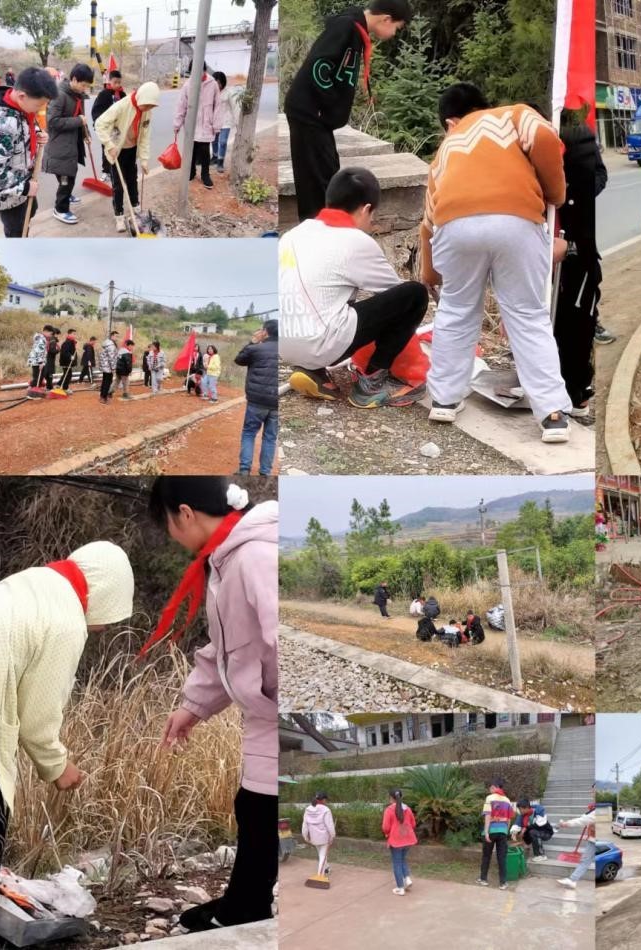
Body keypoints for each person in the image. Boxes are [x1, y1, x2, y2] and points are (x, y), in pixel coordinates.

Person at [0, 540, 136, 947]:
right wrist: (58, 767)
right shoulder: (66, 620)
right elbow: (38, 718)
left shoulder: (37, 583)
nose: (106, 627)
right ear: (105, 596)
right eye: (111, 616)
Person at [149, 477, 278, 932]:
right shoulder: (228, 558)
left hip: (278, 715)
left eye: (168, 523)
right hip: (265, 713)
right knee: (254, 806)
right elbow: (226, 649)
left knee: (259, 809)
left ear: (185, 513)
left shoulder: (255, 556)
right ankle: (246, 902)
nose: (171, 535)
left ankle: (246, 907)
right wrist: (194, 706)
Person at [421, 85, 571, 441]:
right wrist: (556, 191)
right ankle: (551, 414)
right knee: (527, 314)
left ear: (450, 121)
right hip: (516, 221)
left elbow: (427, 221)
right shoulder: (514, 114)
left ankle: (443, 399)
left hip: (453, 226)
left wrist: (430, 273)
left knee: (456, 310)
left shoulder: (446, 147)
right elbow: (545, 136)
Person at [280, 167, 429, 408]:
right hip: (322, 344)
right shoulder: (356, 241)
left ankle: (313, 372)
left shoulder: (291, 235)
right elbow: (395, 297)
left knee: (329, 296)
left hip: (285, 344)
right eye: (372, 216)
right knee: (415, 295)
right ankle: (371, 381)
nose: (371, 223)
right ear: (366, 208)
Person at [283, 1, 411, 220]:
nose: (393, 34)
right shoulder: (346, 27)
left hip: (316, 116)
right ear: (386, 19)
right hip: (310, 112)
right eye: (396, 28)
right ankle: (318, 233)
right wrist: (331, 104)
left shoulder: (354, 30)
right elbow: (318, 67)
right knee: (316, 181)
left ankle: (325, 228)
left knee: (327, 173)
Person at [555, 116, 606, 417]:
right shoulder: (583, 181)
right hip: (570, 263)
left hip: (578, 264)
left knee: (574, 321)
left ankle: (576, 392)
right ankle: (574, 390)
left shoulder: (581, 187)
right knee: (572, 321)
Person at [0, 67, 56, 236]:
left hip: (23, 185)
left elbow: (25, 126)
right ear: (22, 96)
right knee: (16, 232)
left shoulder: (19, 107)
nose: (39, 110)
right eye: (38, 105)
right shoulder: (1, 126)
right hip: (10, 196)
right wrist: (25, 188)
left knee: (26, 222)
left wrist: (37, 133)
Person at [94, 81, 161, 232]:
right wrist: (109, 145)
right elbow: (99, 124)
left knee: (132, 180)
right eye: (148, 105)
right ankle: (119, 216)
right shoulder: (121, 106)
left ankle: (136, 211)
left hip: (132, 149)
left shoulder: (146, 110)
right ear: (141, 98)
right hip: (117, 150)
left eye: (152, 106)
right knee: (118, 185)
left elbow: (144, 136)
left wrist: (144, 159)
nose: (149, 109)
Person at [45, 64, 93, 226]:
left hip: (73, 142)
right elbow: (52, 122)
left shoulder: (77, 95)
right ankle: (61, 209)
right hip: (60, 144)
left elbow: (82, 116)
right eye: (83, 85)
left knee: (69, 173)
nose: (85, 88)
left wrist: (86, 133)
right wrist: (78, 121)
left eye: (87, 86)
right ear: (73, 79)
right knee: (66, 177)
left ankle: (67, 194)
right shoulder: (59, 95)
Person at [235, 320, 278, 477]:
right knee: (270, 438)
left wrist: (252, 341)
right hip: (277, 402)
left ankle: (244, 470)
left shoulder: (256, 349)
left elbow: (239, 359)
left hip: (257, 400)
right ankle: (265, 472)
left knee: (249, 433)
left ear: (265, 332)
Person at [174, 66, 221, 189]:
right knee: (192, 150)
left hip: (206, 123)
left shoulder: (213, 84)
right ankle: (191, 171)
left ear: (204, 70)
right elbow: (181, 106)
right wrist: (177, 124)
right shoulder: (188, 85)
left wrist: (216, 125)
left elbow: (217, 106)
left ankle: (205, 174)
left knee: (205, 151)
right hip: (192, 124)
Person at [478, 778, 515, 889]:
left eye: (490, 787)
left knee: (486, 855)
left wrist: (486, 832)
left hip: (491, 831)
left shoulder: (489, 798)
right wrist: (506, 831)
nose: (489, 789)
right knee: (501, 857)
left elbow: (488, 815)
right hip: (502, 831)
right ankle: (503, 883)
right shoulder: (507, 800)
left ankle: (483, 879)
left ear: (494, 787)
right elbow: (509, 819)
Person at [90, 69, 126, 179]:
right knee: (106, 149)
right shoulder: (103, 94)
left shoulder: (122, 94)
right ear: (109, 81)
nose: (117, 85)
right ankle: (106, 171)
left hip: (119, 128)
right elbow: (96, 110)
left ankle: (116, 170)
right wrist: (98, 124)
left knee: (119, 148)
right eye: (115, 82)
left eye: (119, 82)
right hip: (106, 128)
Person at [382, 788, 417, 895]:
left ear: (391, 798)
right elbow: (413, 824)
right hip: (408, 839)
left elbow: (385, 827)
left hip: (396, 841)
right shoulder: (408, 809)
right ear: (400, 797)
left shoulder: (389, 810)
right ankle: (407, 878)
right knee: (402, 859)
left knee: (397, 863)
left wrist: (388, 833)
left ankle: (400, 888)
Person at [556, 803, 598, 889]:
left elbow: (583, 820)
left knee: (586, 860)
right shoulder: (594, 809)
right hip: (593, 839)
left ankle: (572, 880)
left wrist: (566, 823)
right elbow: (585, 818)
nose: (593, 792)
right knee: (585, 860)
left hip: (595, 840)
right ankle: (572, 880)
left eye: (594, 789)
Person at [302, 791, 335, 879]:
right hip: (324, 837)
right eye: (326, 800)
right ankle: (320, 876)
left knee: (321, 854)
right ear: (323, 800)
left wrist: (305, 835)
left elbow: (305, 824)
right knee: (322, 856)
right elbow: (330, 825)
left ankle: (327, 868)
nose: (326, 801)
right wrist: (332, 836)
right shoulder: (326, 810)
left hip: (313, 837)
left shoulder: (308, 809)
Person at [212, 71, 241, 172]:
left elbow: (235, 108)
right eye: (216, 83)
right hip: (215, 121)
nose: (218, 85)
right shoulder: (212, 92)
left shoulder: (229, 92)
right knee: (213, 140)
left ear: (223, 82)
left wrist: (238, 123)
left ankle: (220, 162)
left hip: (226, 122)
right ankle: (215, 157)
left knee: (223, 142)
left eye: (219, 83)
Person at [98, 329, 118, 404]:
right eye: (116, 336)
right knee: (107, 382)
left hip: (105, 366)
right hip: (108, 367)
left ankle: (102, 396)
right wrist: (113, 368)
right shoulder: (111, 345)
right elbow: (112, 358)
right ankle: (104, 398)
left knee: (105, 381)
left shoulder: (107, 344)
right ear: (112, 336)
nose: (117, 338)